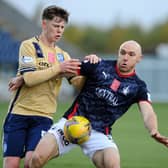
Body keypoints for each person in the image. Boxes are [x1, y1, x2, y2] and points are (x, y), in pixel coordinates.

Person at [29, 40, 168, 168]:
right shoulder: (98, 65)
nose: (126, 57)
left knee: (113, 163)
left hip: (99, 132)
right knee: (37, 158)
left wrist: (153, 130)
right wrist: (26, 78)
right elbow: (65, 69)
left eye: (131, 54)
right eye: (123, 52)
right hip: (72, 122)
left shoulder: (138, 87)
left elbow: (148, 112)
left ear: (139, 58)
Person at [2, 5, 100, 168]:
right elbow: (30, 78)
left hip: (43, 117)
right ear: (44, 24)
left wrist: (91, 67)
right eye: (56, 25)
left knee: (32, 162)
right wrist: (58, 69)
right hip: (19, 114)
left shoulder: (63, 55)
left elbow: (79, 84)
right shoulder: (29, 46)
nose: (59, 30)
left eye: (62, 27)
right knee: (11, 164)